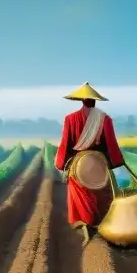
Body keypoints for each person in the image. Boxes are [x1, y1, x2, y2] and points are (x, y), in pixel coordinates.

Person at [55, 82, 125, 246]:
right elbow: (111, 145)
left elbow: (66, 144)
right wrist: (115, 162)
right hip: (99, 162)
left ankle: (86, 221)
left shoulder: (70, 119)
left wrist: (61, 163)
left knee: (79, 191)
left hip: (79, 163)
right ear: (95, 101)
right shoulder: (105, 119)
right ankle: (102, 224)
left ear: (81, 101)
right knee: (103, 193)